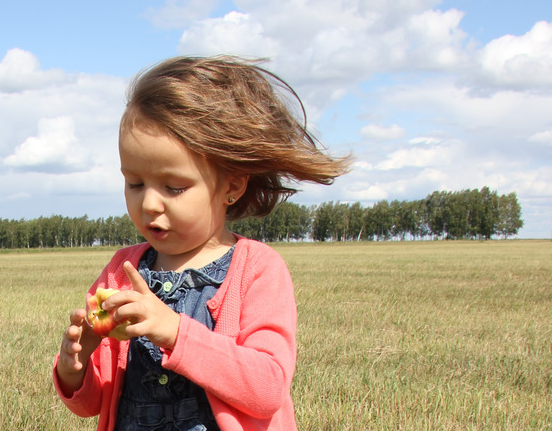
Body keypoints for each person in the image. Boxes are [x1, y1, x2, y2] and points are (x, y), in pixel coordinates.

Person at [53, 55, 350, 430]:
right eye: (135, 183)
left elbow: (267, 388)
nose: (148, 203)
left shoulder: (256, 269)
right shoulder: (122, 271)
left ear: (232, 185)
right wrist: (74, 369)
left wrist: (175, 331)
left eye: (173, 187)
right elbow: (95, 403)